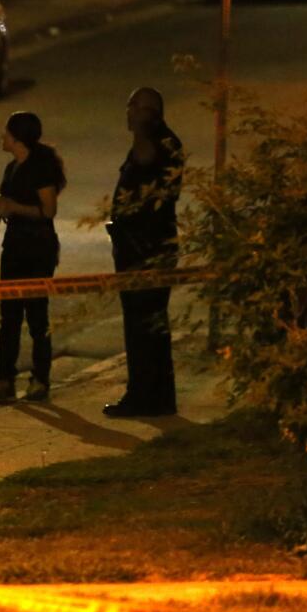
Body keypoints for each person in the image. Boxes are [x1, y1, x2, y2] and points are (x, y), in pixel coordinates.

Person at [103, 87, 184, 418]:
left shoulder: (155, 143)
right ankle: (158, 396)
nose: (127, 112)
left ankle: (143, 395)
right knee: (151, 324)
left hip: (144, 249)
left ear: (148, 112)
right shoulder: (169, 143)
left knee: (142, 326)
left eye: (133, 107)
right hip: (145, 245)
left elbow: (146, 172)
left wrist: (142, 131)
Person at [0, 112, 67, 405]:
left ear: (18, 138)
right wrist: (3, 204)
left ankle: (40, 379)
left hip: (37, 247)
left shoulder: (41, 168)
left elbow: (48, 211)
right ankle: (4, 380)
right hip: (14, 246)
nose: (2, 137)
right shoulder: (12, 168)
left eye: (6, 132)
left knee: (36, 315)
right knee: (8, 316)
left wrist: (14, 206)